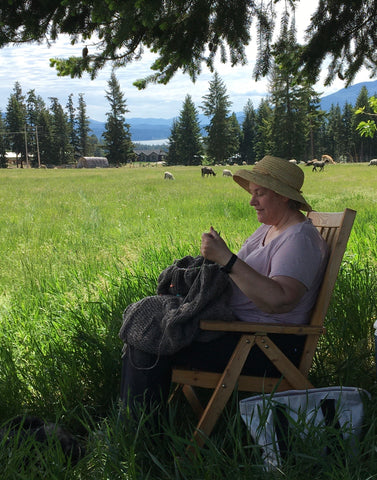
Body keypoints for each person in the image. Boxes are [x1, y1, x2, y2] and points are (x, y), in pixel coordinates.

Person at [120, 155, 329, 420]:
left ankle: (135, 436)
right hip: (243, 334)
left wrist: (226, 259)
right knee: (150, 321)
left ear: (283, 196)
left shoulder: (299, 239)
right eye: (252, 193)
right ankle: (136, 427)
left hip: (265, 347)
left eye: (260, 194)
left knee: (149, 334)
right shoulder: (272, 228)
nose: (252, 201)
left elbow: (281, 300)